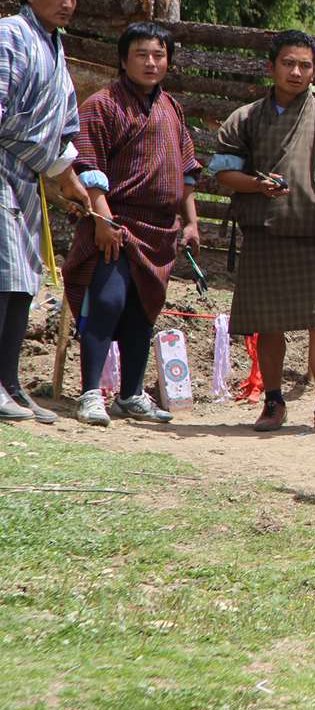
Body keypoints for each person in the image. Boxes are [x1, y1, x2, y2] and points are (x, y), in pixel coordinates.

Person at [208, 29, 315, 435]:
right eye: (288, 63)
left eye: (305, 65)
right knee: (268, 323)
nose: (296, 72)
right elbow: (223, 171)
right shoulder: (246, 117)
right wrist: (258, 186)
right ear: (271, 67)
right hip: (264, 233)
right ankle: (273, 402)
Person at [65, 23, 204, 427]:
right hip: (116, 223)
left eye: (159, 55)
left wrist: (191, 222)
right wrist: (103, 223)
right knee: (107, 302)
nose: (150, 62)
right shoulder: (103, 104)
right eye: (141, 54)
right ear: (124, 59)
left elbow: (187, 173)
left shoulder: (172, 107)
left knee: (143, 311)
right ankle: (91, 393)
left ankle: (130, 394)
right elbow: (87, 169)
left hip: (160, 231)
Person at [0, 0, 92, 423]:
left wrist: (72, 178)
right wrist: (55, 164)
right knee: (4, 277)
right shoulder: (9, 35)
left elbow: (66, 125)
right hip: (2, 171)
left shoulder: (55, 46)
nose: (69, 3)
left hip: (27, 181)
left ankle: (11, 384)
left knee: (23, 282)